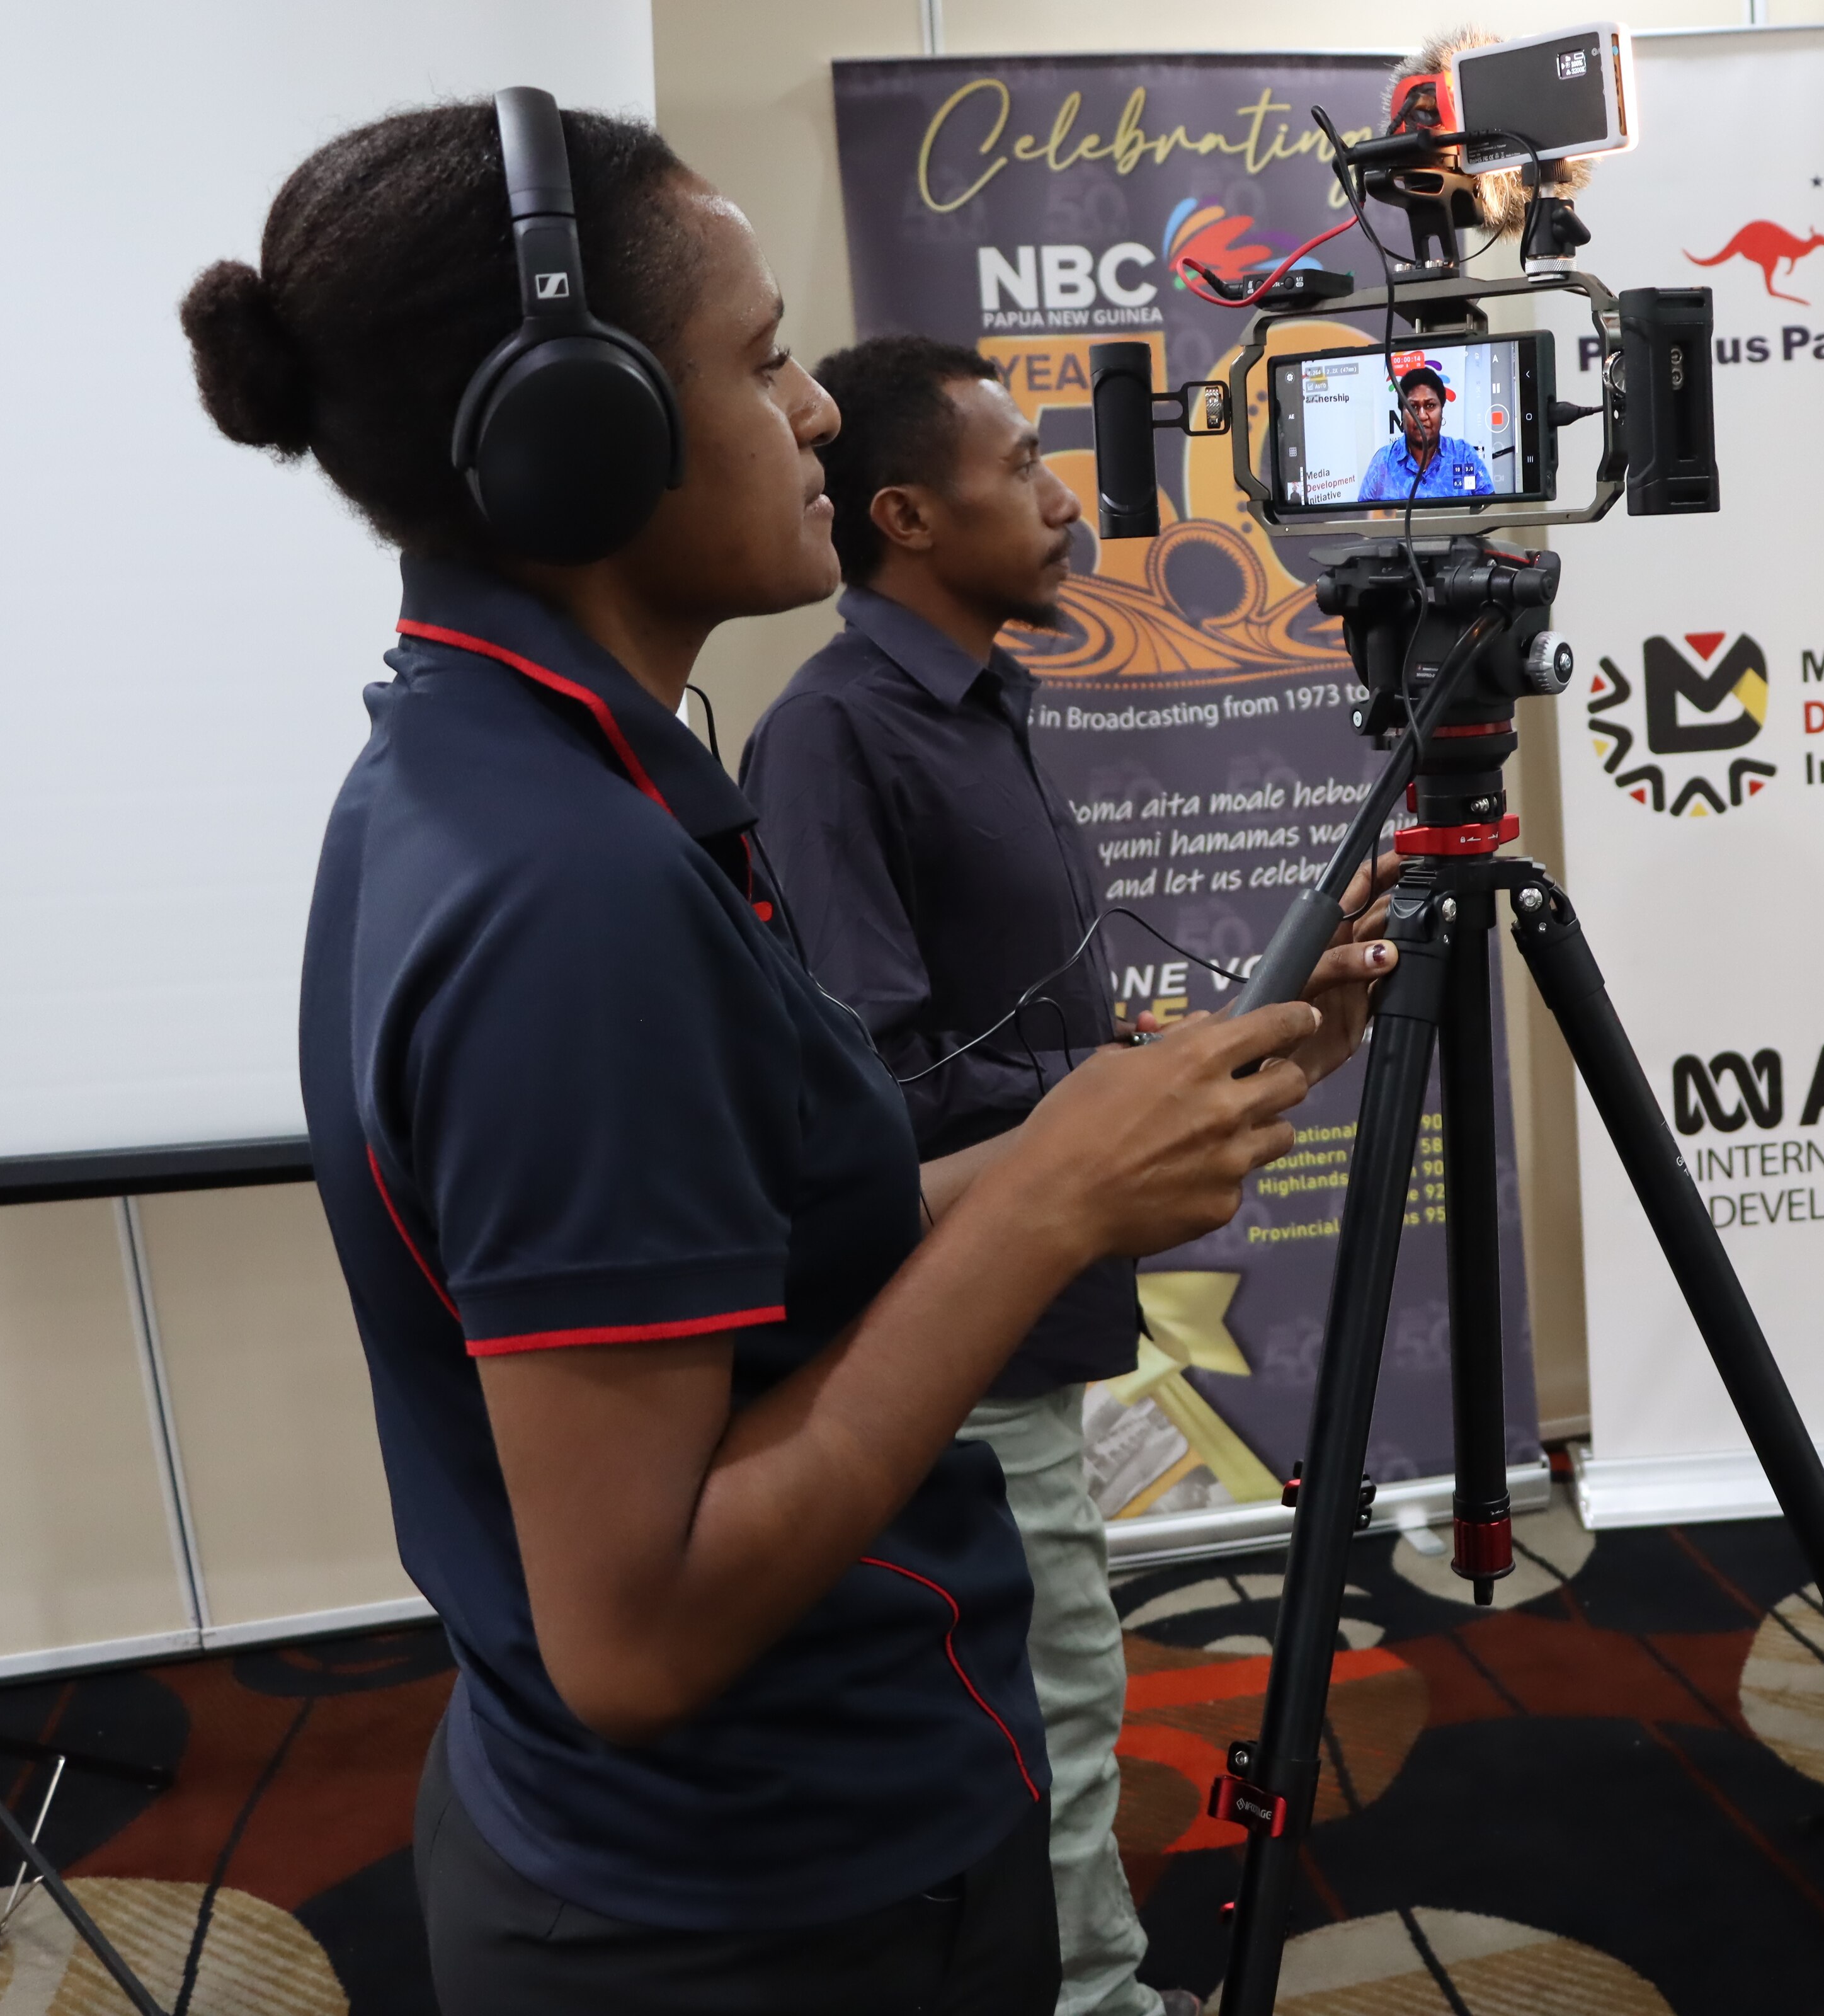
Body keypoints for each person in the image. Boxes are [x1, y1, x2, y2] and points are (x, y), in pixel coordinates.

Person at [181, 102, 1390, 2014]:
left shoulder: (522, 771)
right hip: (757, 1913)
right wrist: (1047, 1203)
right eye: (757, 363)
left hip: (754, 1846)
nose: (818, 410)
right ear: (579, 436)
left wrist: (1143, 1115)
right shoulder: (563, 894)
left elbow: (775, 1257)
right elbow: (635, 1628)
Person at [738, 335, 1396, 2016]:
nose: (1060, 498)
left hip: (1026, 1324)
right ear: (903, 514)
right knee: (1058, 1721)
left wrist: (1263, 1040)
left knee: (1062, 1704)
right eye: (1015, 465)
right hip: (950, 1343)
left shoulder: (973, 708)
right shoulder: (836, 740)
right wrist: (1127, 1095)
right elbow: (875, 1102)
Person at [1356, 366, 1494, 501]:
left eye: (1430, 405)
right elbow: (1363, 520)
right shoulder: (1383, 462)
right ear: (1402, 414)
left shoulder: (1463, 455)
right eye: (1413, 407)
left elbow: (1491, 512)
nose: (1422, 416)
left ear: (1442, 411)